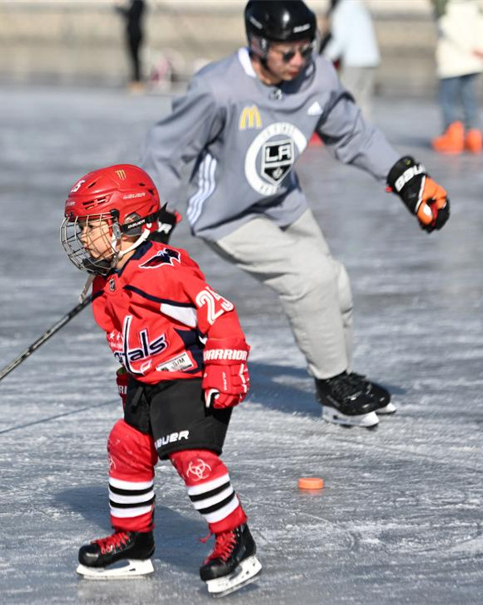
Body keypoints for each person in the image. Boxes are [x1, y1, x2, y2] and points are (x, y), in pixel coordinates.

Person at [140, 0, 451, 429]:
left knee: (335, 281)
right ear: (258, 44)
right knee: (310, 278)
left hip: (284, 203)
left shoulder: (317, 76)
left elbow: (354, 134)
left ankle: (339, 380)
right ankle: (332, 382)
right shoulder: (219, 88)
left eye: (307, 48)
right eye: (288, 52)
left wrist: (406, 179)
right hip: (227, 216)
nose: (299, 60)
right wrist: (150, 219)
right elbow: (170, 152)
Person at [61, 164, 262, 596]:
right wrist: (126, 377)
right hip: (148, 383)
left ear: (128, 223)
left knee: (192, 457)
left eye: (92, 225)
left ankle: (235, 538)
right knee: (127, 444)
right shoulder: (113, 275)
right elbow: (130, 332)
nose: (82, 236)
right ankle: (134, 540)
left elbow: (220, 313)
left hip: (187, 379)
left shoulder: (164, 270)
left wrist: (226, 369)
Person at [431, 0, 483, 154]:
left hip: (452, 62)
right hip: (473, 62)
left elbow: (448, 28)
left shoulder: (445, 6)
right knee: (469, 98)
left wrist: (469, 49)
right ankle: (473, 135)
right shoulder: (475, 7)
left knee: (448, 100)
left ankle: (453, 135)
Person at [321, 0, 380, 119]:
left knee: (347, 99)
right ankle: (366, 133)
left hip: (354, 61)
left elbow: (340, 39)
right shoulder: (358, 6)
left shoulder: (342, 9)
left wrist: (324, 59)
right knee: (364, 101)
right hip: (371, 60)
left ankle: (352, 133)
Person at [115, 0, 146, 94]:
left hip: (135, 34)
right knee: (133, 58)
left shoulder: (138, 3)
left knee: (135, 58)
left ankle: (137, 80)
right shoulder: (135, 3)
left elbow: (130, 14)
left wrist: (118, 9)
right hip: (132, 33)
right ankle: (135, 79)